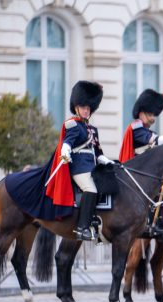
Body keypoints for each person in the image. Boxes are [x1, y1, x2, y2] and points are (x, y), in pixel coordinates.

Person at [49, 80, 112, 240]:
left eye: (88, 108)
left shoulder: (93, 129)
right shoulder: (73, 124)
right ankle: (81, 228)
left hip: (92, 166)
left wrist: (108, 161)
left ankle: (95, 220)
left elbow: (97, 152)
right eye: (83, 107)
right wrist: (65, 152)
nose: (86, 110)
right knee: (91, 189)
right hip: (78, 167)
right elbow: (67, 142)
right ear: (76, 107)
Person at [118, 88, 163, 237]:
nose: (153, 118)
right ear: (141, 113)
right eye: (150, 114)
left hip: (144, 172)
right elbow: (153, 140)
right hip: (135, 173)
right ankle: (150, 221)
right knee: (156, 185)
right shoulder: (136, 127)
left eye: (154, 115)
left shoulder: (147, 130)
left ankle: (161, 219)